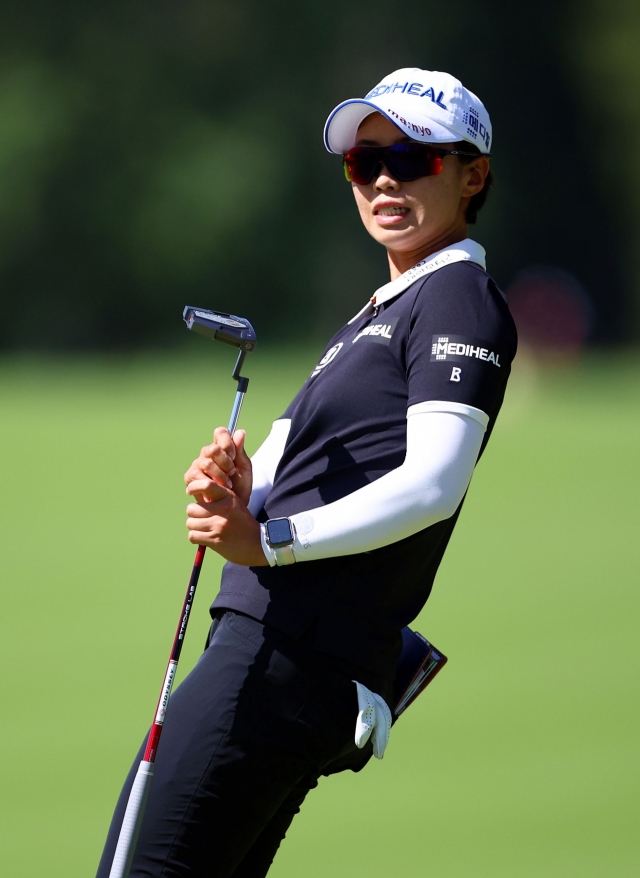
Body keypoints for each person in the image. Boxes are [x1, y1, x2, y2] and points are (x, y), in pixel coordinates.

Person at [97, 67, 517, 878]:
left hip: (284, 660)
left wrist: (270, 538)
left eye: (414, 159)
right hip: (275, 655)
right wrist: (237, 483)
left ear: (473, 177)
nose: (385, 179)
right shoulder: (383, 308)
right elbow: (278, 477)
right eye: (366, 164)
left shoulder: (460, 299)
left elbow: (434, 485)